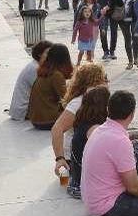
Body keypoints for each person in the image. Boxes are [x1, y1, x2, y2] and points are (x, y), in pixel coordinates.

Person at [50, 63, 109, 197]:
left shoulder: (99, 99)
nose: (107, 81)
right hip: (77, 157)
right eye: (104, 78)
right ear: (96, 80)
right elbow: (57, 129)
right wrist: (60, 158)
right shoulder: (78, 103)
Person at [28, 44, 74, 130]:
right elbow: (66, 98)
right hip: (48, 120)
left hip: (36, 120)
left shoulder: (45, 70)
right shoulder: (56, 75)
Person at [8, 40, 53, 121]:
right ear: (39, 54)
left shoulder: (36, 65)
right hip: (23, 110)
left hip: (23, 108)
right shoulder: (34, 68)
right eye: (48, 53)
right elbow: (46, 92)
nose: (51, 55)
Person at [105, 0, 138, 68]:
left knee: (135, 37)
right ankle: (130, 61)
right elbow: (111, 2)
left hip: (133, 15)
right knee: (127, 38)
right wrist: (106, 9)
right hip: (121, 16)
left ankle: (136, 59)